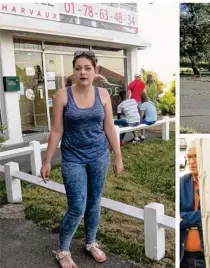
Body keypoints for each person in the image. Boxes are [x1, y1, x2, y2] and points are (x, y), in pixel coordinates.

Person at [40, 51, 123, 268]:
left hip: (99, 156)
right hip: (73, 158)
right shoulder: (62, 95)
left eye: (87, 68)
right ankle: (63, 250)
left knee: (94, 202)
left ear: (95, 71)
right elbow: (57, 130)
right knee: (77, 205)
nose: (82, 72)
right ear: (73, 71)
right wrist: (47, 160)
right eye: (78, 68)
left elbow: (109, 128)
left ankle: (90, 242)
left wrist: (118, 157)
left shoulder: (103, 95)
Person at [180, 141, 206, 268]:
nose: (191, 161)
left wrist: (185, 217)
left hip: (207, 259)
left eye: (195, 156)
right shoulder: (181, 182)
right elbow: (177, 217)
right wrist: (202, 216)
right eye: (189, 157)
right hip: (184, 258)